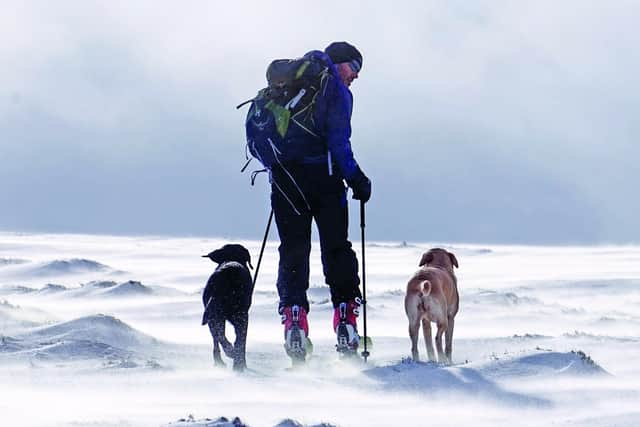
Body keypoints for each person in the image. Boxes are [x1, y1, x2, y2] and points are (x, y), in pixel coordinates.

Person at [270, 41, 371, 361]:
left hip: (285, 183)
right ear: (340, 63)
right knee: (337, 248)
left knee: (293, 250)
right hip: (325, 182)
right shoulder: (335, 89)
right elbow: (338, 143)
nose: (355, 76)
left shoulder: (289, 83)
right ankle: (345, 321)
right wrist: (357, 179)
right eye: (354, 68)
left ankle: (294, 320)